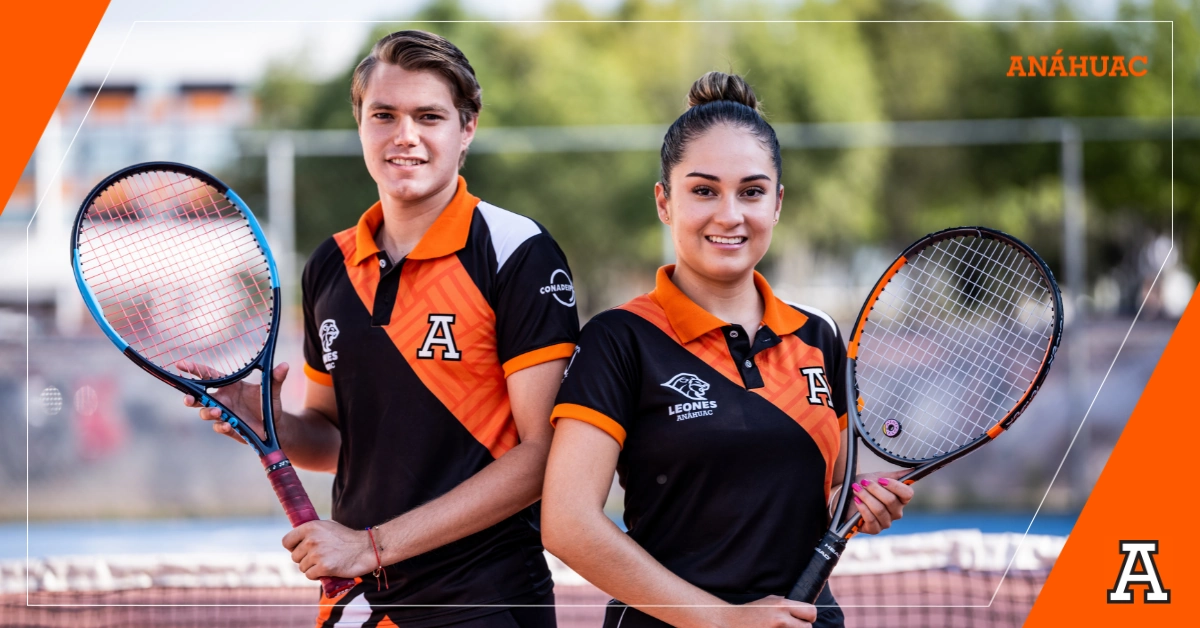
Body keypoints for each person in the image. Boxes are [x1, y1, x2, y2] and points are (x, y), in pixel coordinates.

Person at [183, 30, 579, 628]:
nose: (405, 136)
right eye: (384, 115)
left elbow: (544, 456)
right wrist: (272, 423)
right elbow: (335, 441)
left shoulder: (516, 252)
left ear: (466, 129)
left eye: (429, 116)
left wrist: (369, 546)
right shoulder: (331, 265)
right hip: (360, 601)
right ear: (360, 124)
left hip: (486, 600)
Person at [540, 71, 914, 628]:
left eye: (752, 191)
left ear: (778, 203)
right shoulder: (620, 338)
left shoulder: (820, 337)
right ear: (665, 202)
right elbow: (567, 523)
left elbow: (827, 487)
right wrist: (720, 620)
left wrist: (861, 500)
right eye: (704, 190)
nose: (730, 214)